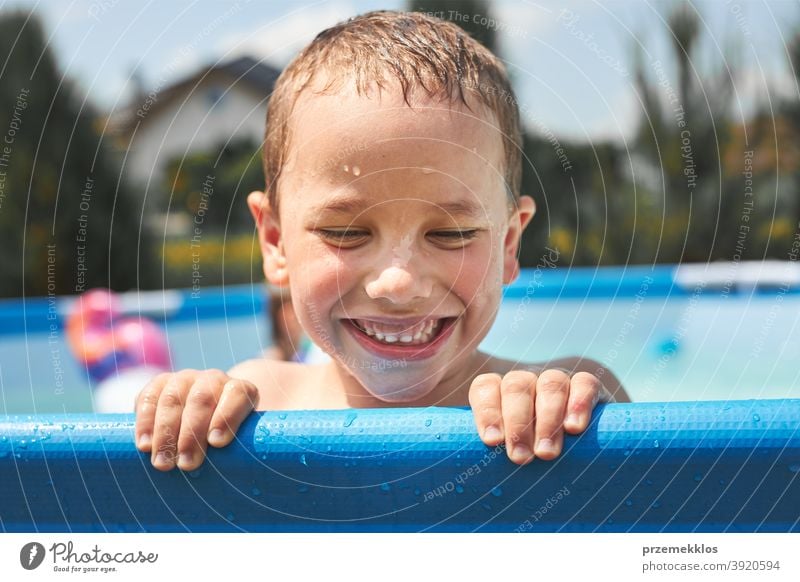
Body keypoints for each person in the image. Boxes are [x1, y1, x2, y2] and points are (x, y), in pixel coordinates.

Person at [134, 10, 629, 472]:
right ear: (275, 241)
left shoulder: (565, 397)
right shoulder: (256, 403)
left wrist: (570, 412)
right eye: (344, 233)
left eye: (450, 233)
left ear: (507, 245)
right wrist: (183, 405)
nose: (398, 282)